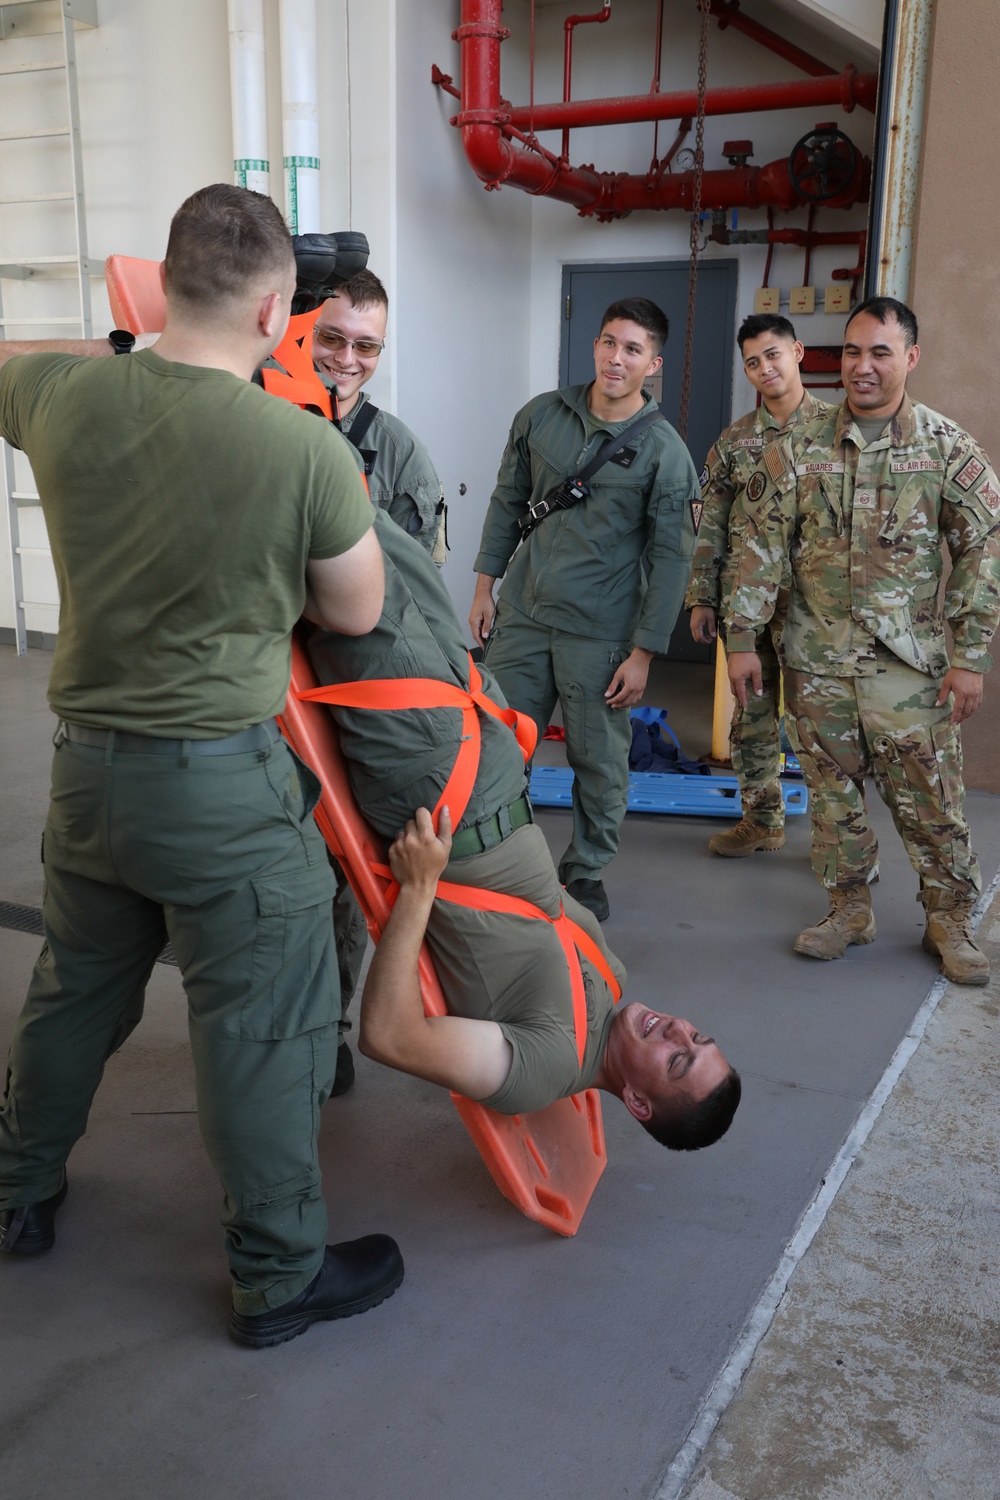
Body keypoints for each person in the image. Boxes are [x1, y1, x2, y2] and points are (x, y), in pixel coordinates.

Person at [0, 183, 404, 1351]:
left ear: (161, 281)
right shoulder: (305, 444)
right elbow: (360, 610)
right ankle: (278, 1275)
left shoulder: (61, 394)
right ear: (280, 308)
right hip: (223, 792)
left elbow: (27, 360)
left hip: (88, 779)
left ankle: (17, 1190)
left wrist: (132, 344)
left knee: (76, 987)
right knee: (260, 1026)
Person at [310, 510, 740, 1148]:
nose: (677, 1031)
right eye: (697, 1036)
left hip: (434, 778)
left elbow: (390, 1037)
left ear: (639, 1104)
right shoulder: (612, 979)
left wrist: (421, 888)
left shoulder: (544, 1065)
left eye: (679, 1060)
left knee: (326, 535)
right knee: (358, 509)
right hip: (483, 739)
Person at [725, 296, 1000, 985]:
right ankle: (848, 909)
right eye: (852, 352)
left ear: (910, 357)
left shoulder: (945, 447)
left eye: (881, 352)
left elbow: (982, 550)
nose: (864, 366)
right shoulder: (795, 448)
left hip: (907, 670)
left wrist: (970, 657)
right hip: (815, 662)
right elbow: (757, 543)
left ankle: (950, 920)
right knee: (830, 798)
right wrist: (740, 639)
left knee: (933, 803)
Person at [469, 298, 700, 923]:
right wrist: (485, 586)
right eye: (607, 342)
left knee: (596, 760)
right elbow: (507, 501)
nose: (615, 358)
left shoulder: (665, 452)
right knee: (499, 744)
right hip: (523, 614)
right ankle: (502, 860)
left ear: (653, 363)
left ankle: (586, 872)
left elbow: (673, 558)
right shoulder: (542, 415)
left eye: (632, 349)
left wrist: (645, 652)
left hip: (600, 635)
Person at [686, 314, 829, 858]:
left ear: (797, 352)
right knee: (752, 717)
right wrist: (702, 595)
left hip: (820, 610)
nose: (764, 368)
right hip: (747, 606)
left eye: (773, 354)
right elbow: (711, 524)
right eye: (752, 361)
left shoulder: (838, 430)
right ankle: (762, 817)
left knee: (822, 726)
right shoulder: (735, 442)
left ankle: (839, 841)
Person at [311, 268, 446, 561]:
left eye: (365, 346)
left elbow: (413, 585)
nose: (346, 359)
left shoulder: (401, 453)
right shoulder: (259, 418)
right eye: (331, 338)